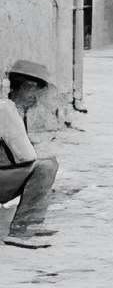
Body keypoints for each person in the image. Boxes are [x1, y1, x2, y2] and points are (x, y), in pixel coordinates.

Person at [0, 58, 60, 250]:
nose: (36, 96)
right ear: (25, 87)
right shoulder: (6, 109)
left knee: (44, 162)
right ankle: (22, 230)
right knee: (47, 166)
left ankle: (32, 223)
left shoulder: (12, 108)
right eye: (34, 89)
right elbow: (26, 156)